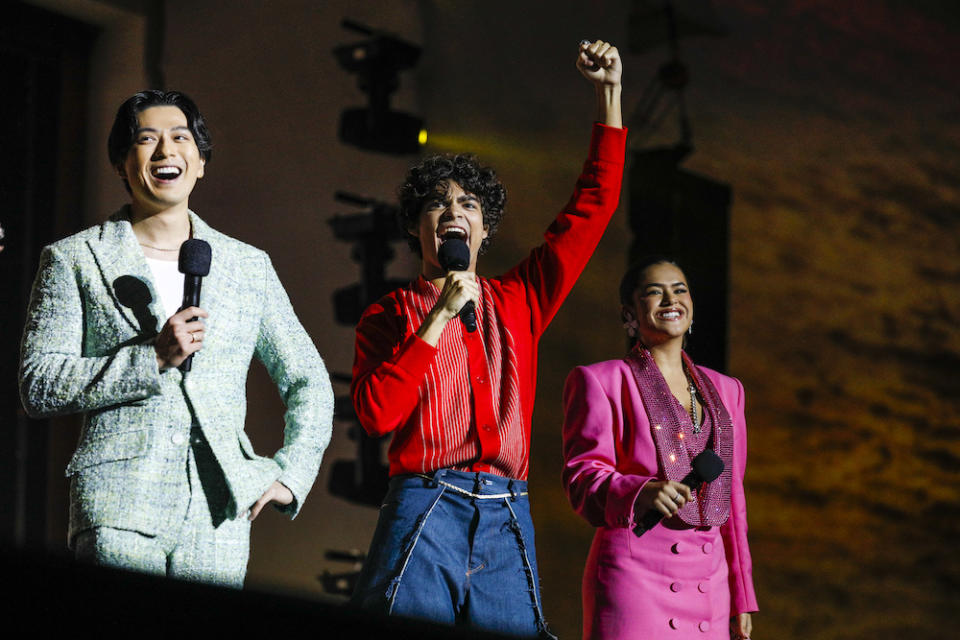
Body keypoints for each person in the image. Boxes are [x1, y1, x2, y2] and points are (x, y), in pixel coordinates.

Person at [349, 40, 625, 637]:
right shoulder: (391, 313)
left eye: (469, 203)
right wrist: (437, 319)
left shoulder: (520, 299)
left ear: (483, 229)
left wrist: (609, 95)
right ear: (417, 227)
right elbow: (375, 415)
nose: (454, 211)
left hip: (507, 512)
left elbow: (592, 208)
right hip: (425, 504)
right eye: (438, 204)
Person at [19, 90, 333, 587]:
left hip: (218, 512)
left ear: (201, 162)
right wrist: (152, 359)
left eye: (180, 138)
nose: (166, 151)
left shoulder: (247, 266)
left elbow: (308, 379)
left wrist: (289, 475)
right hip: (119, 501)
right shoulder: (75, 258)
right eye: (147, 139)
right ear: (122, 163)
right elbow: (39, 383)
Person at [561, 257, 758, 639]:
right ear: (629, 313)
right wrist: (641, 491)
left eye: (679, 289)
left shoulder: (728, 390)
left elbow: (734, 501)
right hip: (635, 577)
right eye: (654, 291)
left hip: (710, 585)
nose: (670, 298)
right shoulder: (600, 381)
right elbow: (581, 479)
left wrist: (741, 595)